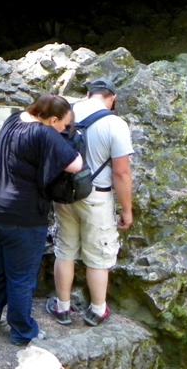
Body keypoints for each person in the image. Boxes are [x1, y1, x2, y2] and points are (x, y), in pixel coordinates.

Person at [0, 93, 82, 345]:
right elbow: (76, 164)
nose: (64, 129)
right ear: (52, 119)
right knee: (21, 276)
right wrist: (69, 138)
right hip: (21, 214)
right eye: (64, 125)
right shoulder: (44, 134)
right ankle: (23, 331)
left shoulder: (12, 120)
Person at [47, 78, 134, 327]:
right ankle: (97, 310)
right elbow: (121, 172)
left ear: (88, 94)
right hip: (97, 196)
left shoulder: (67, 111)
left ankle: (62, 307)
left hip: (64, 193)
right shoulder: (115, 124)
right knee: (98, 255)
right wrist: (126, 209)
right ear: (112, 97)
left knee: (65, 249)